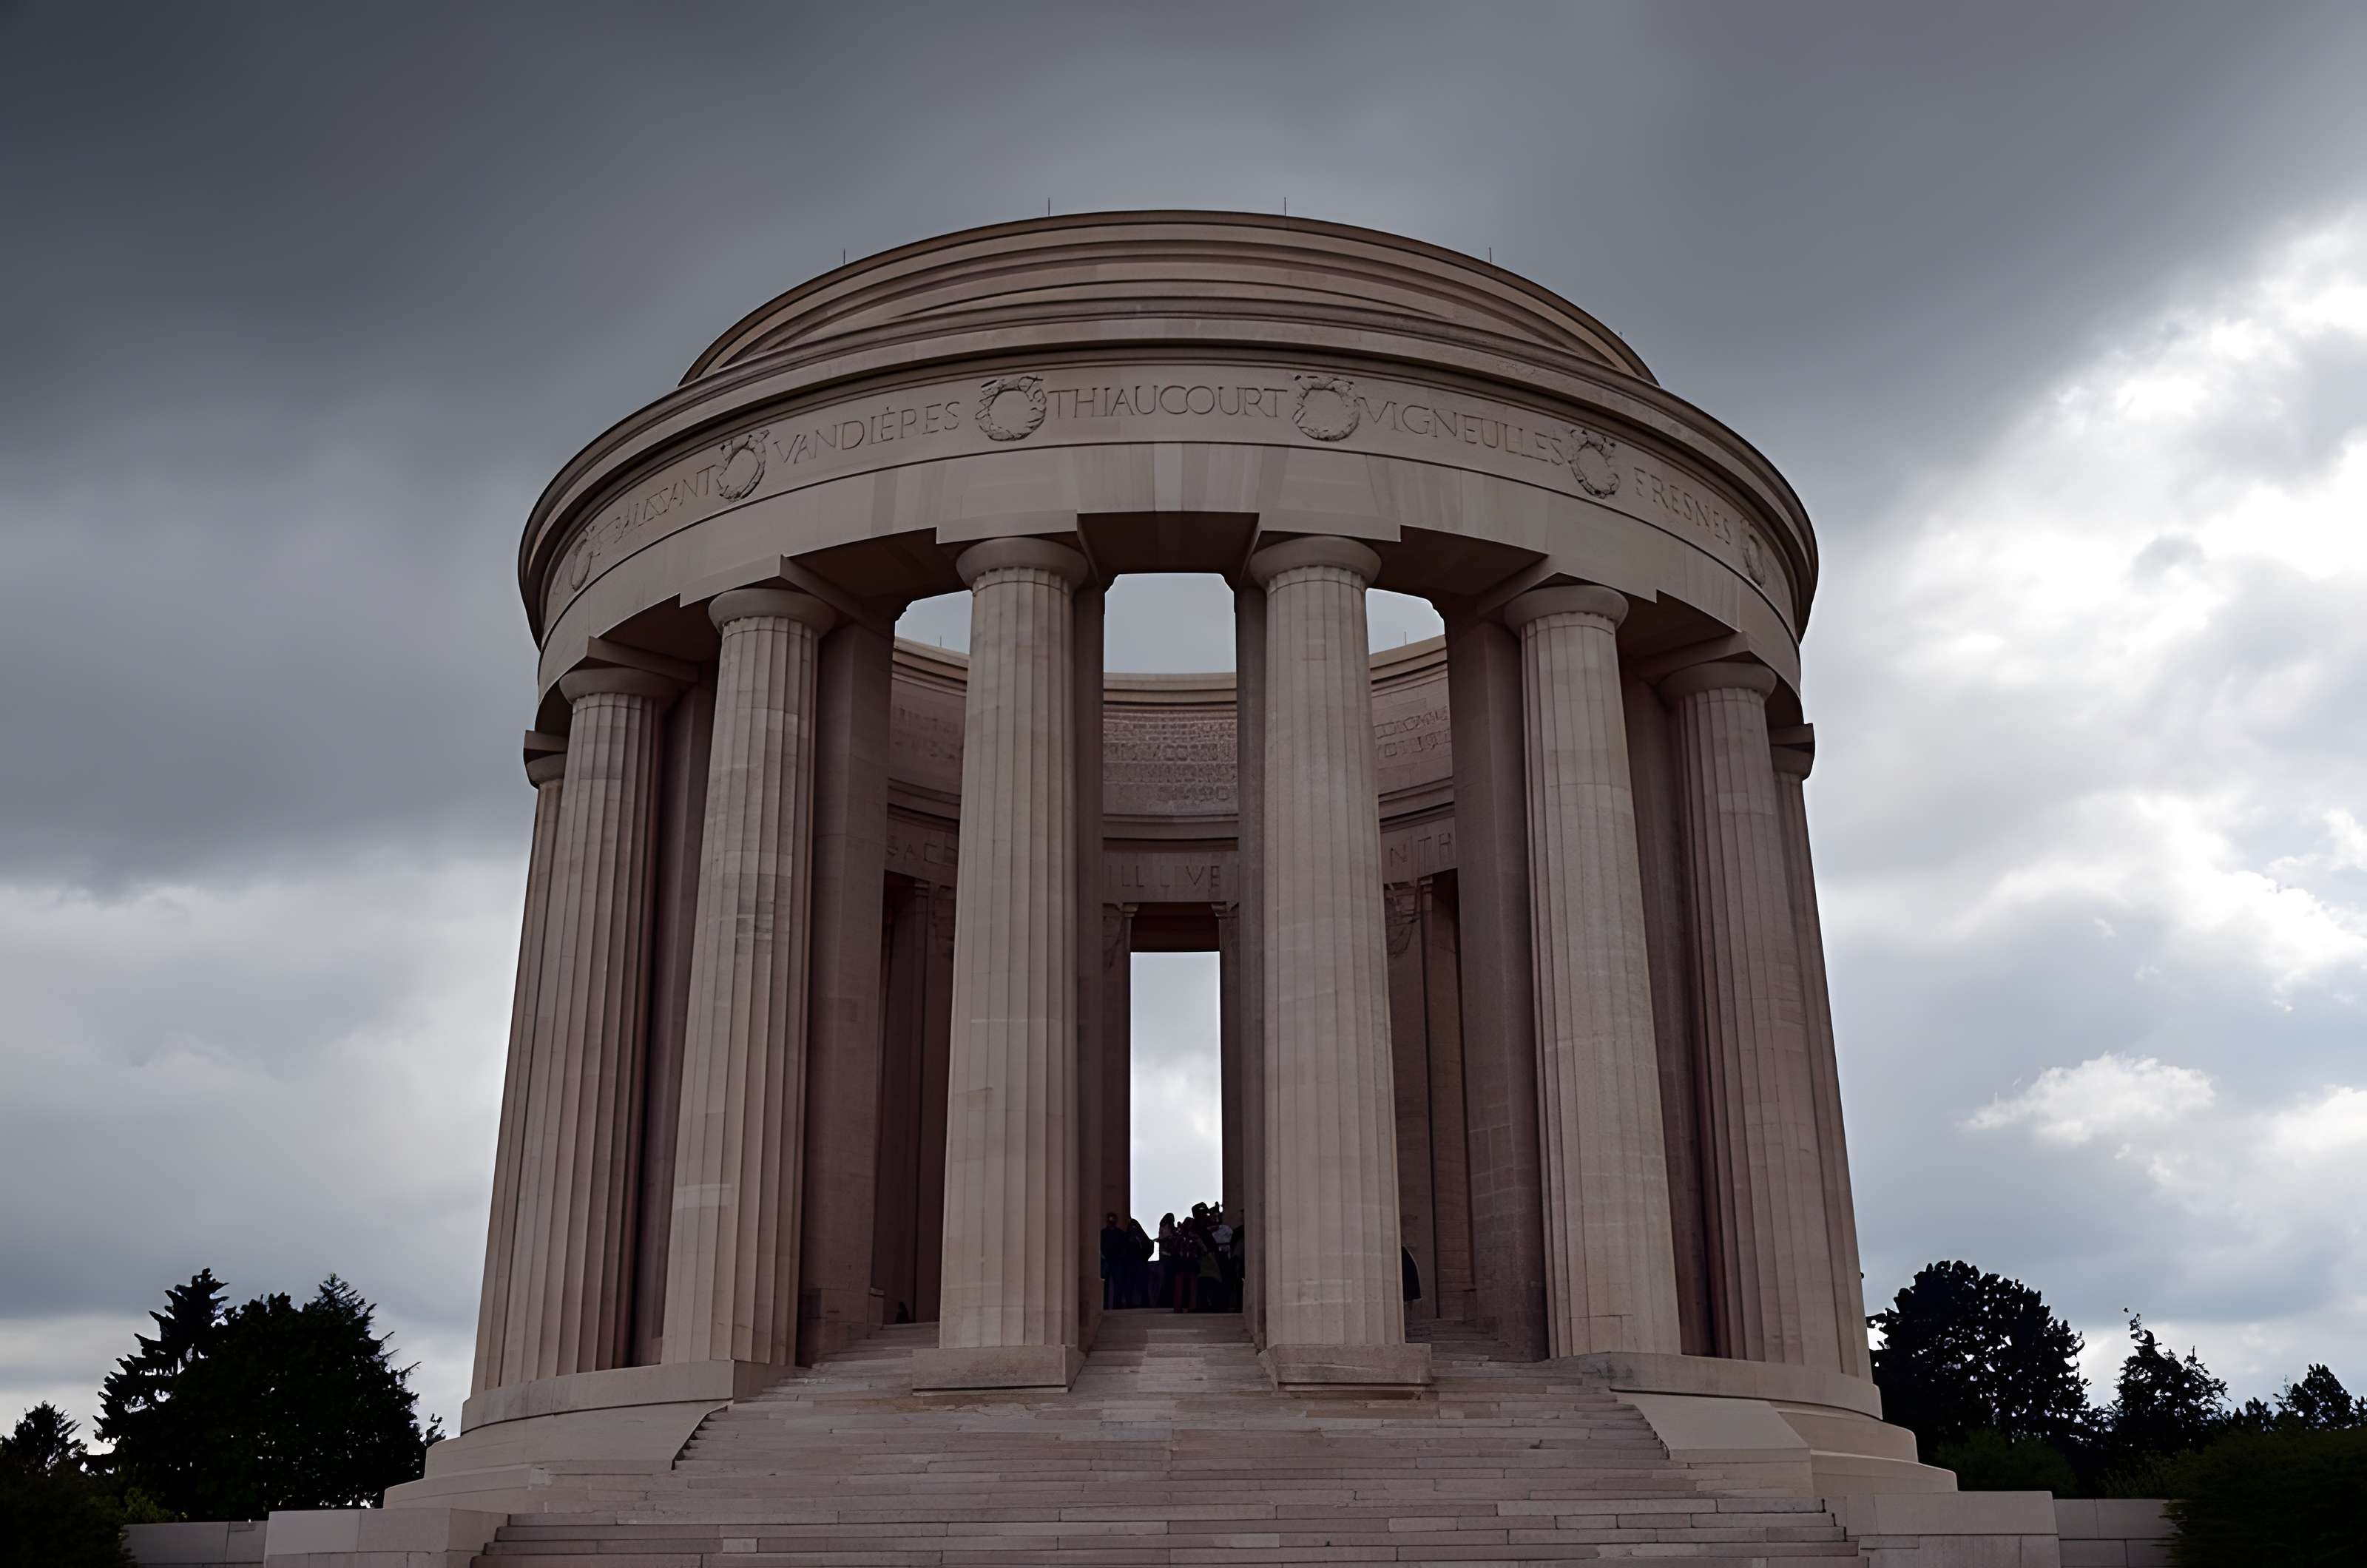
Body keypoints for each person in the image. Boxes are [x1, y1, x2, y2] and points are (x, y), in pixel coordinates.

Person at [1100, 1212, 1127, 1311]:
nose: (1111, 1222)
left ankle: (1117, 1305)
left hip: (1117, 1262)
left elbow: (1124, 1248)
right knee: (1105, 1285)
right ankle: (1105, 1305)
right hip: (1107, 1261)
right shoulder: (1103, 1234)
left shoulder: (1120, 1234)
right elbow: (1100, 1247)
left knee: (1118, 1284)